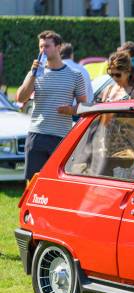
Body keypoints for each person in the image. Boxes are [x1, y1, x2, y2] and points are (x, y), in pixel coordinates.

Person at [15, 31, 87, 181]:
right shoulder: (34, 73)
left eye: (47, 46)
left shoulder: (75, 75)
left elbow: (84, 106)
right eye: (41, 46)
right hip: (37, 135)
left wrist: (71, 110)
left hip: (62, 137)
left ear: (58, 48)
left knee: (58, 182)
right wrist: (33, 75)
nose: (43, 50)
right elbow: (21, 98)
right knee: (34, 182)